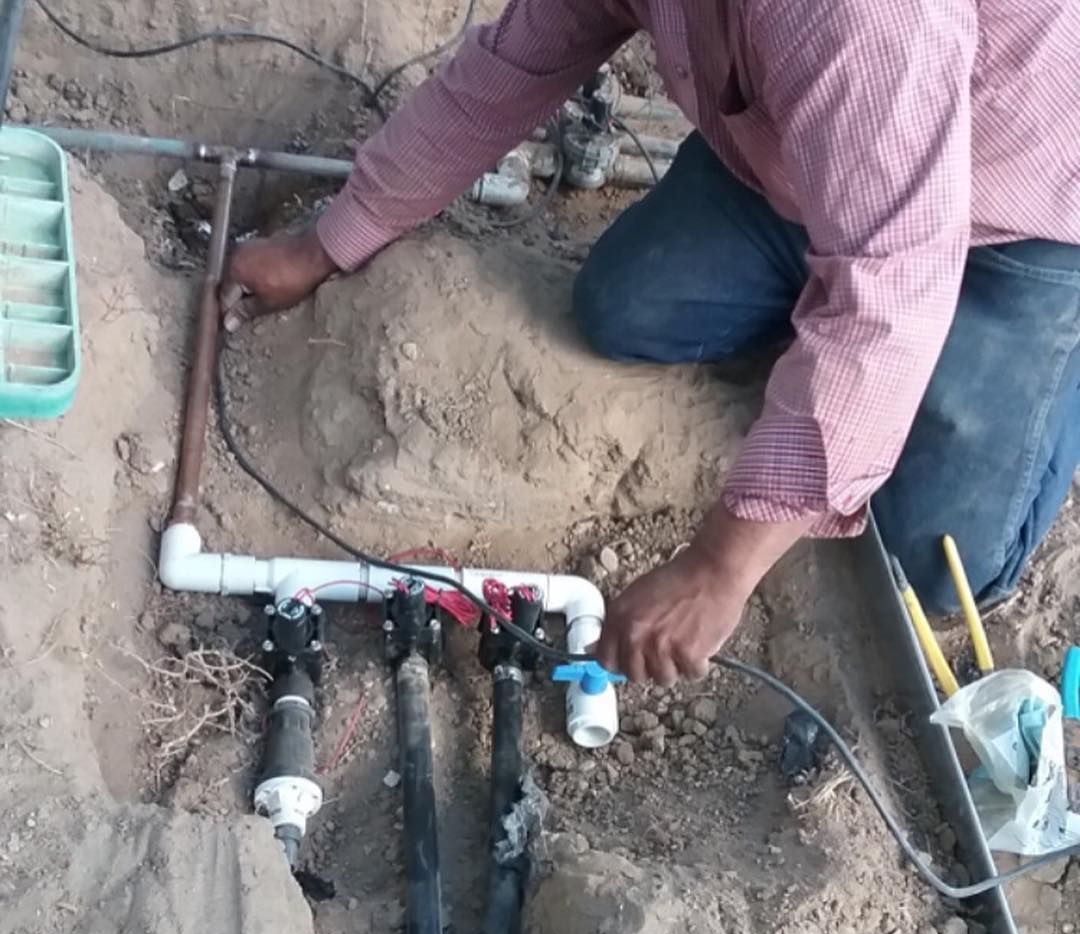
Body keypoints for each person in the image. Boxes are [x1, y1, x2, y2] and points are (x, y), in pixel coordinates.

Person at [221, 0, 1080, 686]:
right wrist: (327, 243)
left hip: (1015, 216)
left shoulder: (860, 19)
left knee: (937, 565)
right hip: (797, 154)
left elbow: (888, 298)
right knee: (626, 307)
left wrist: (719, 565)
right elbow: (513, 66)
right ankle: (837, 268)